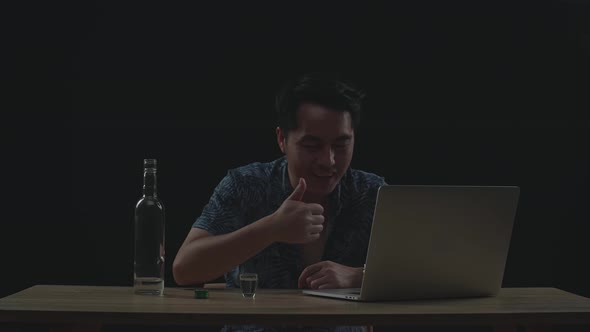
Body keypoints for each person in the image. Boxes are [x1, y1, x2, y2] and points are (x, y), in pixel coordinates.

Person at [173, 72, 387, 332]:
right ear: (282, 140)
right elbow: (185, 269)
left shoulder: (372, 193)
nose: (328, 161)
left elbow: (421, 274)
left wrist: (358, 276)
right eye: (312, 145)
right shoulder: (245, 185)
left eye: (341, 145)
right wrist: (271, 228)